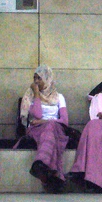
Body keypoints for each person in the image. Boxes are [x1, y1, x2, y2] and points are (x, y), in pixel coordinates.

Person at [18, 65, 70, 193]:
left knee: (51, 127)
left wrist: (47, 121)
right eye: (34, 78)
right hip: (36, 128)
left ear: (47, 79)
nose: (36, 81)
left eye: (39, 78)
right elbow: (37, 115)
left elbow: (64, 121)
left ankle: (42, 164)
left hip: (55, 128)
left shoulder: (59, 97)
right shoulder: (29, 96)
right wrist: (36, 94)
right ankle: (53, 175)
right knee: (51, 131)